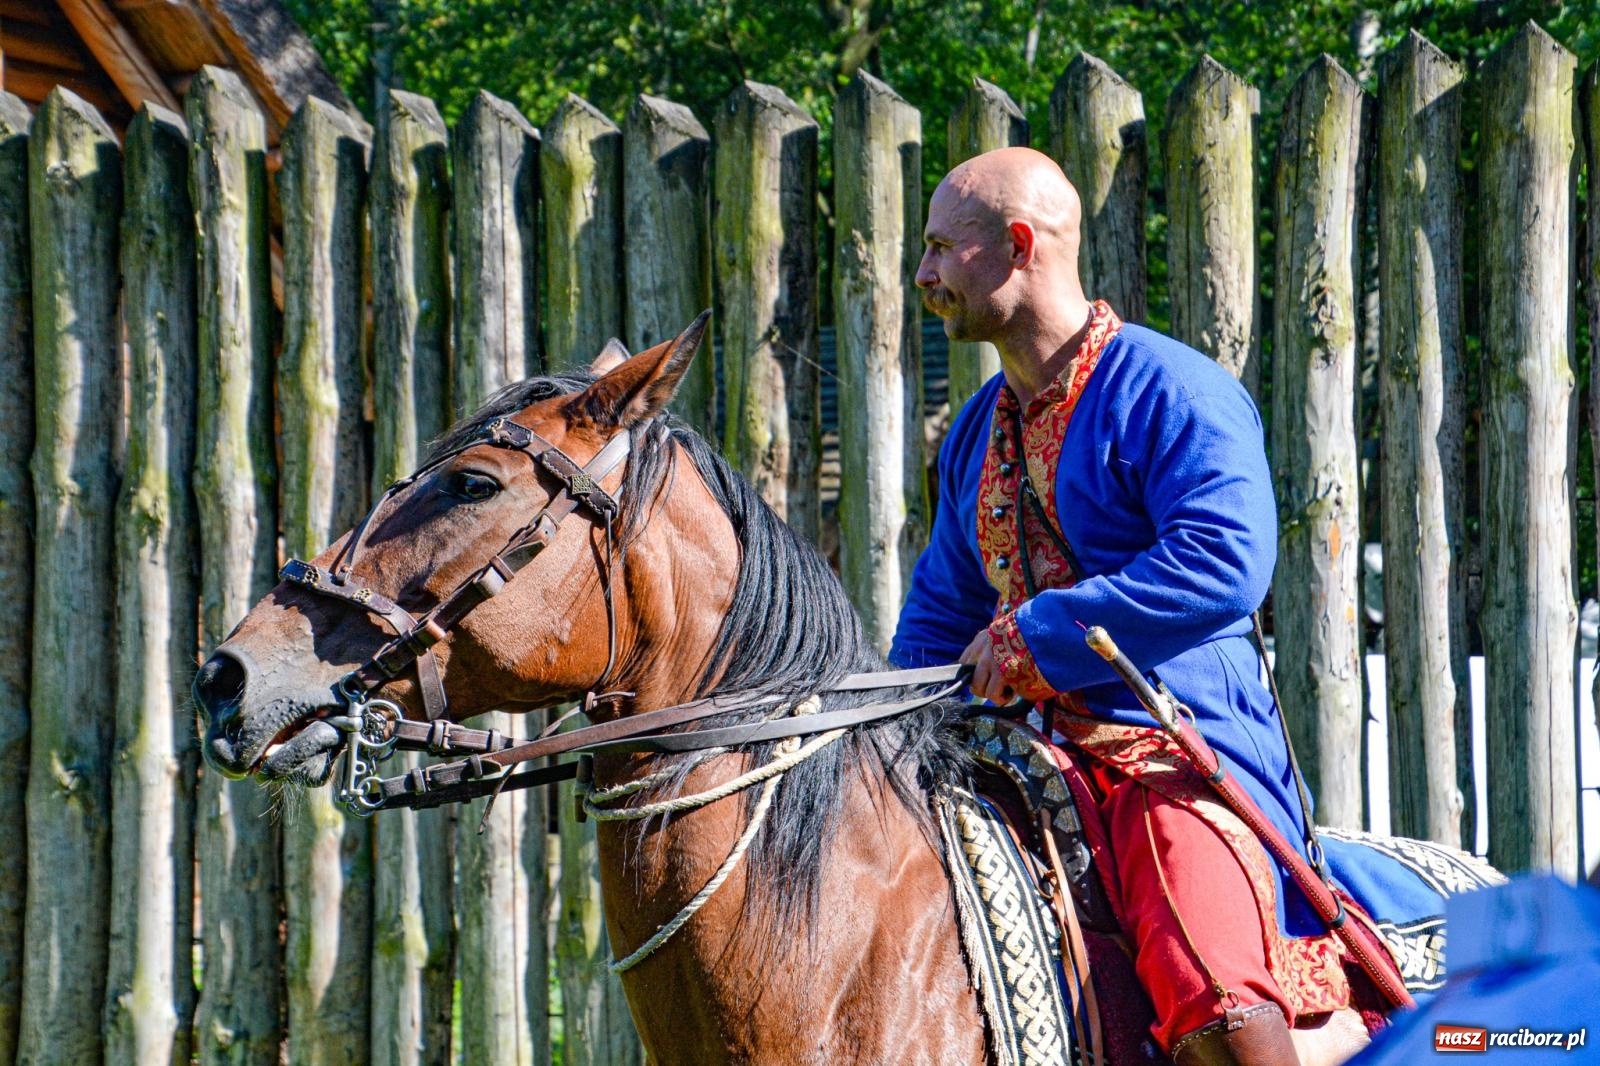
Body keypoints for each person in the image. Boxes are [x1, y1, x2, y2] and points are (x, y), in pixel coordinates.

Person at [890, 147, 1369, 1065]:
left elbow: (1224, 561)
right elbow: (940, 615)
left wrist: (1033, 636)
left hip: (1169, 748)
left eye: (943, 249)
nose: (925, 275)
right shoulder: (975, 433)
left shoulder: (1173, 391)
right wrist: (880, 726)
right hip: (1020, 748)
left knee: (1214, 1000)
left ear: (1018, 246)